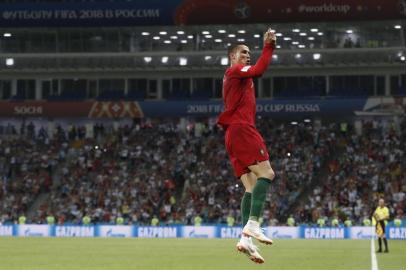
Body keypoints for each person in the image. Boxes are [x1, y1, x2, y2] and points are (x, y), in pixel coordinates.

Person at [217, 27, 277, 264]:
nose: (247, 55)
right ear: (232, 57)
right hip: (242, 129)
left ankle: (246, 240)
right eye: (243, 53)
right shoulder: (236, 71)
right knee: (268, 173)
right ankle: (253, 223)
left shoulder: (237, 77)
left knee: (250, 188)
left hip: (232, 134)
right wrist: (269, 46)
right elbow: (259, 70)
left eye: (248, 53)